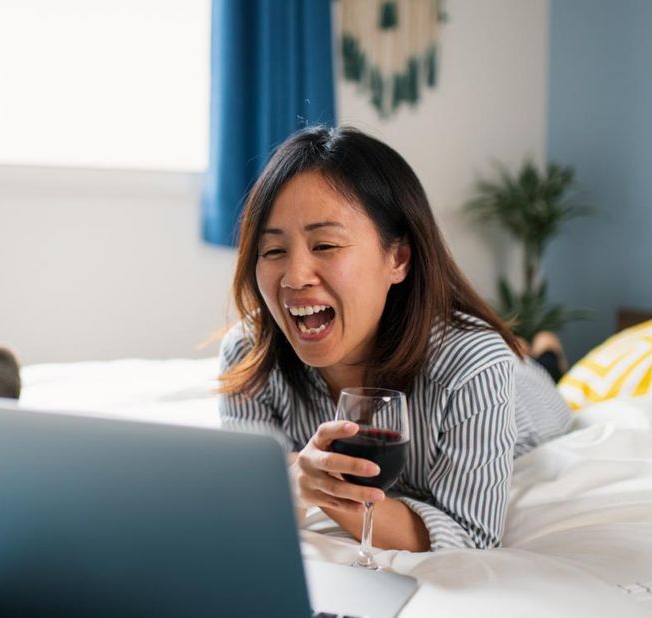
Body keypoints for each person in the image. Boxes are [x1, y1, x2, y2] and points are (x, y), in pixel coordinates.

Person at [217, 126, 573, 552]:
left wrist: (322, 486)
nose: (294, 277)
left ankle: (548, 353)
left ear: (398, 258)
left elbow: (471, 538)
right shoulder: (247, 352)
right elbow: (250, 499)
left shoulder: (475, 365)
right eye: (273, 251)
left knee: (537, 368)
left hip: (526, 395)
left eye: (326, 245)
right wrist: (296, 479)